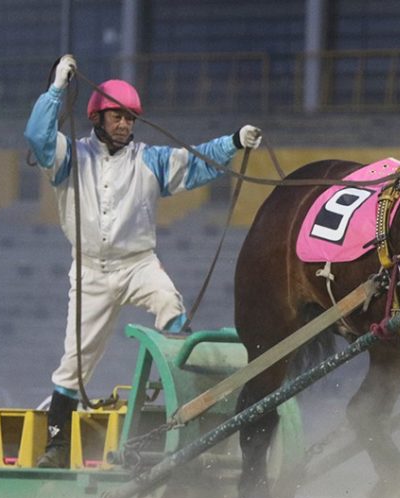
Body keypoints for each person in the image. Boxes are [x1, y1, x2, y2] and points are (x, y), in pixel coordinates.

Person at [24, 54, 262, 468]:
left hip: (138, 264)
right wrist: (56, 90)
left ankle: (181, 403)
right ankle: (56, 447)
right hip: (90, 271)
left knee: (171, 305)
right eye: (118, 116)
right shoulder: (68, 156)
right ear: (97, 117)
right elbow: (37, 137)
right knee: (75, 361)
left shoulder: (149, 159)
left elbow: (197, 162)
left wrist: (234, 142)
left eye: (131, 118)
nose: (126, 125)